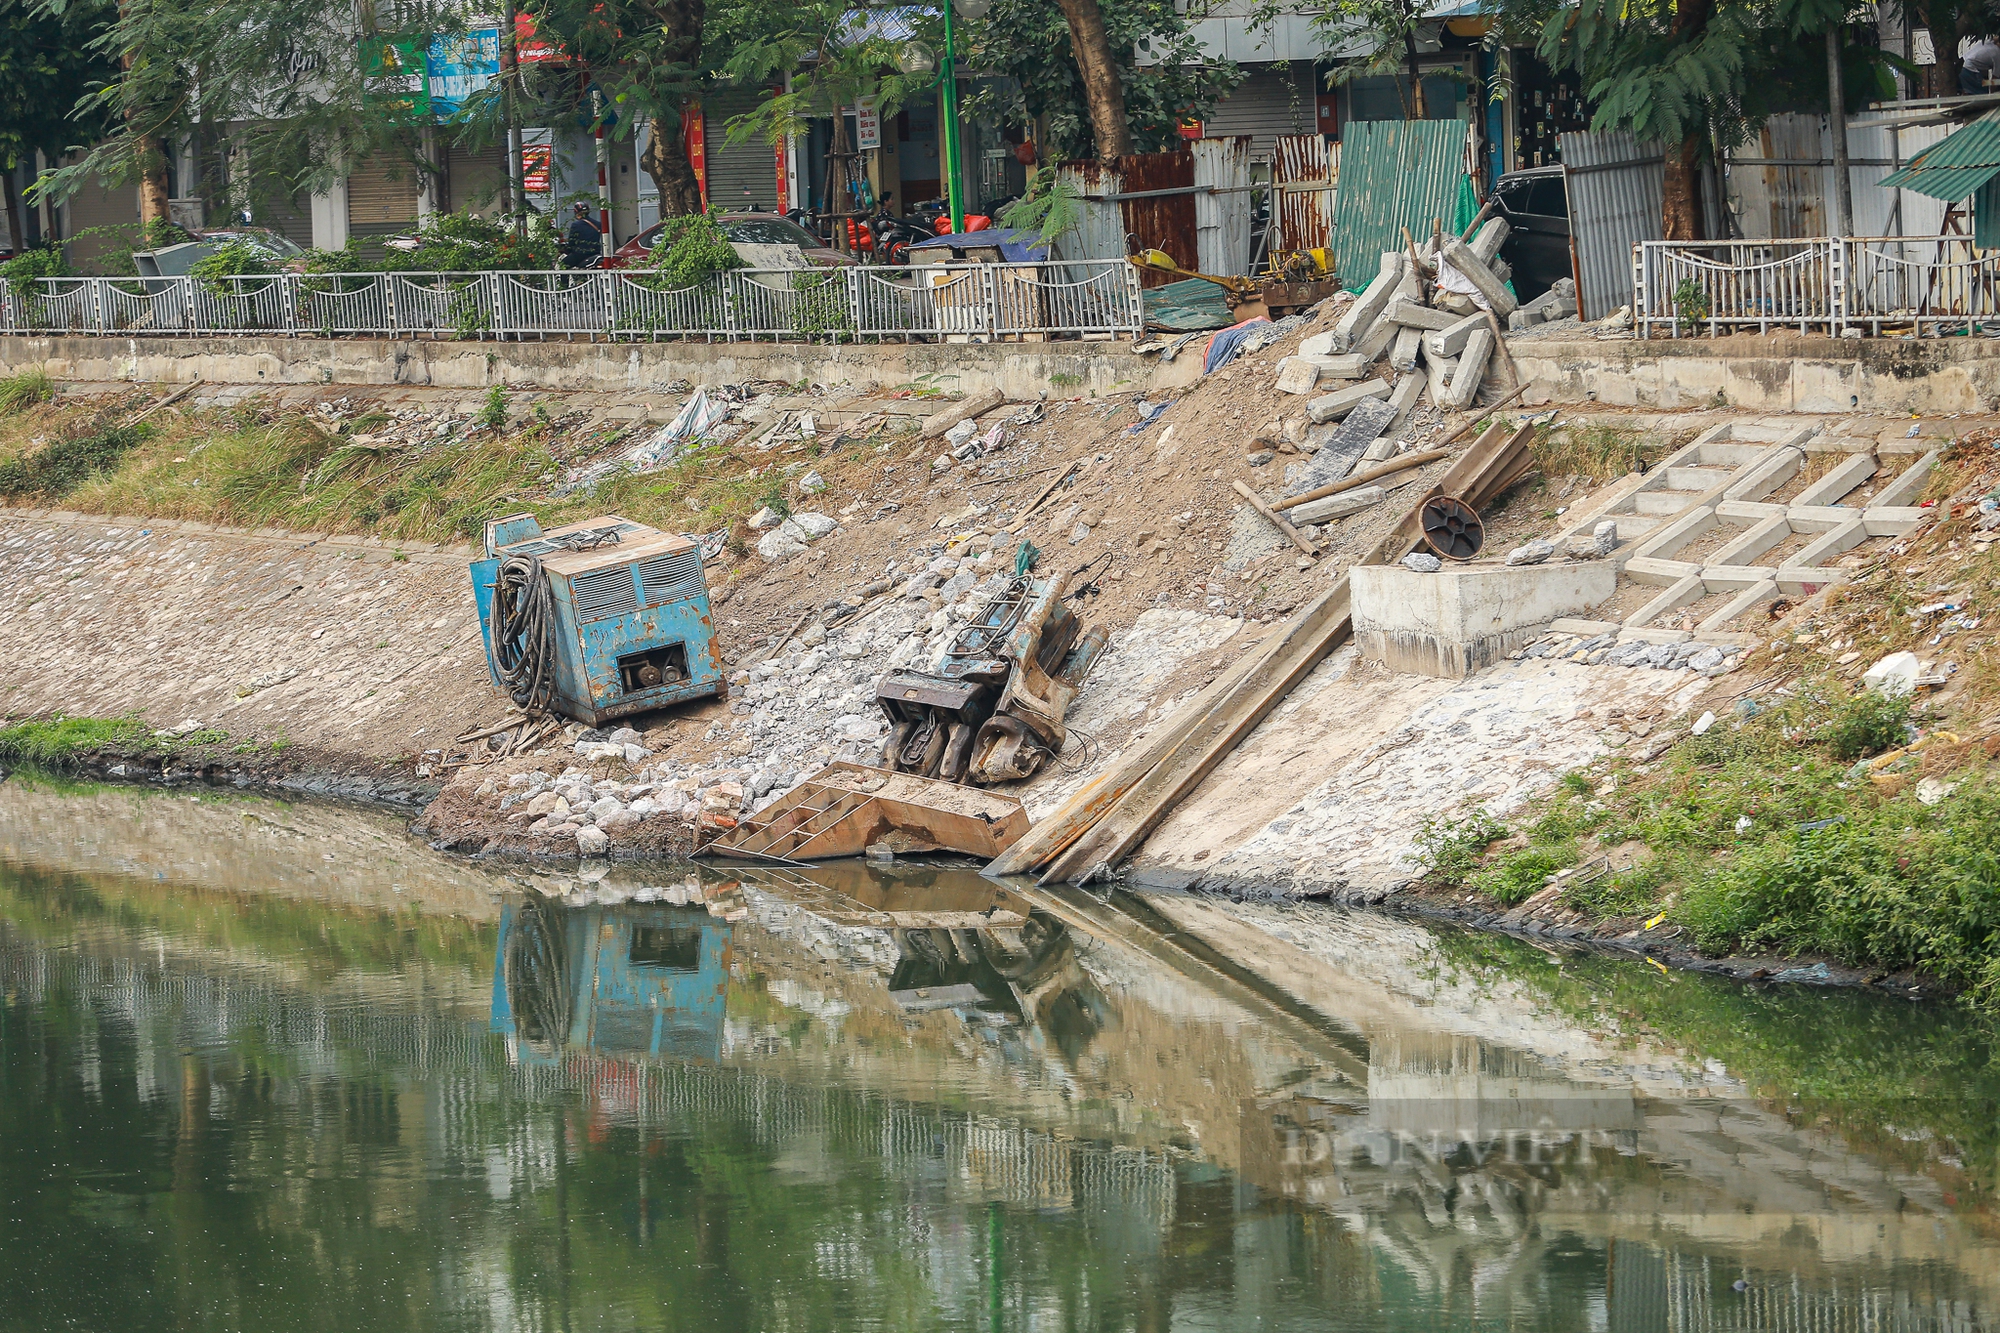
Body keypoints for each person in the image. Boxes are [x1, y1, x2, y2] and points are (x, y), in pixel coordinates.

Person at [562, 202, 602, 269]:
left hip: (581, 254)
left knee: (563, 265)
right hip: (595, 252)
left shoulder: (576, 225)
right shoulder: (598, 224)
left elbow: (572, 241)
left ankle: (564, 280)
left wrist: (568, 249)